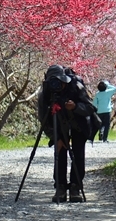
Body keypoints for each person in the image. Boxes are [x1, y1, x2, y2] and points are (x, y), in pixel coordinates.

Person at [38, 65, 96, 203]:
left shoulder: (76, 85)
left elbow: (90, 108)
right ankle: (60, 187)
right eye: (56, 81)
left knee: (78, 154)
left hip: (79, 123)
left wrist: (75, 107)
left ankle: (76, 186)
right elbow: (43, 119)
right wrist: (54, 137)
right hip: (58, 123)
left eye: (62, 81)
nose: (60, 84)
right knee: (60, 152)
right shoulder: (46, 92)